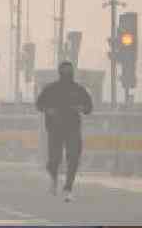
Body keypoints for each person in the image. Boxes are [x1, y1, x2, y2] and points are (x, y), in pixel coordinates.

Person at [35, 61, 93, 202]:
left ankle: (68, 187)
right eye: (65, 71)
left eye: (69, 71)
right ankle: (54, 178)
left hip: (72, 128)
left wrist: (81, 108)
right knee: (54, 159)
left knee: (73, 157)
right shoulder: (51, 89)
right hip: (55, 128)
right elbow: (39, 104)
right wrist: (48, 110)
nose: (67, 73)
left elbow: (89, 107)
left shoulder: (78, 89)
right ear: (60, 72)